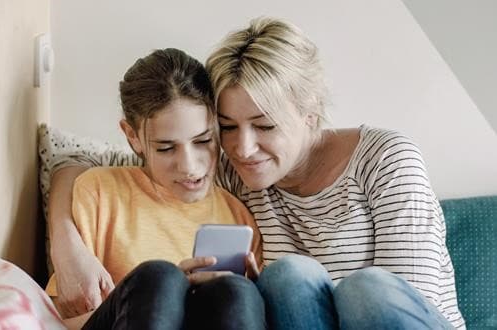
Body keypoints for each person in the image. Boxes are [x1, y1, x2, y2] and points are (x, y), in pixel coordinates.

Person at [50, 18, 465, 329]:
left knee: (363, 289)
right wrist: (66, 246)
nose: (243, 148)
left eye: (264, 126)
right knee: (287, 275)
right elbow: (76, 160)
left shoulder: (385, 160)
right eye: (228, 127)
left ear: (310, 113)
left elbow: (409, 300)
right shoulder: (230, 170)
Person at [49, 48, 265, 330]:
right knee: (159, 277)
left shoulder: (238, 218)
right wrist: (157, 299)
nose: (189, 166)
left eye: (203, 141)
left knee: (237, 292)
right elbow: (57, 318)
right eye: (166, 148)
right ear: (132, 136)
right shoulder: (99, 192)